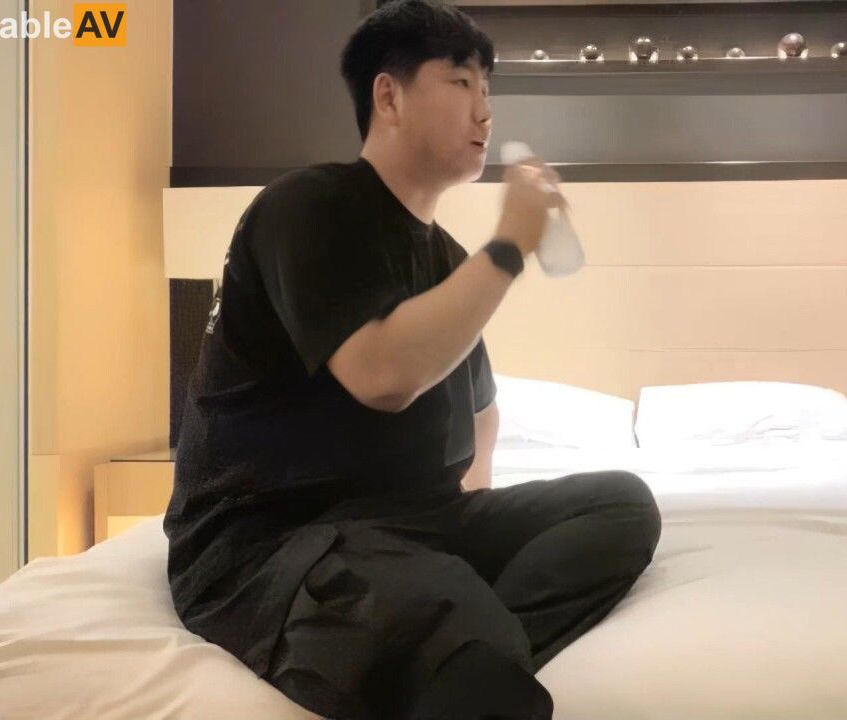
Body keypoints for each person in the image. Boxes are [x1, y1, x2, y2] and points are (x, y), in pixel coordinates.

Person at [162, 3, 661, 718]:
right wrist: (509, 246)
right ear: (389, 97)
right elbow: (383, 375)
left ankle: (451, 651)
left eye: (488, 89)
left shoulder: (447, 262)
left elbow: (482, 410)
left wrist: (472, 514)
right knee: (456, 618)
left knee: (619, 505)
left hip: (414, 525)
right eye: (460, 82)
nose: (484, 111)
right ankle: (457, 646)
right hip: (272, 541)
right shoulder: (306, 206)